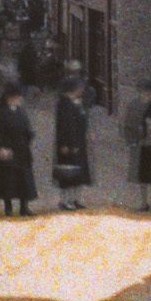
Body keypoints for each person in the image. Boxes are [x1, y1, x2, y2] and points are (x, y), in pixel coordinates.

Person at [0, 82, 38, 217]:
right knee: (8, 180)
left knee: (24, 179)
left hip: (22, 150)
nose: (20, 100)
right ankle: (8, 207)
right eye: (18, 97)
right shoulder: (1, 113)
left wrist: (29, 135)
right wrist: (0, 147)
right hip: (9, 150)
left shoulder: (21, 112)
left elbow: (27, 128)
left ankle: (24, 206)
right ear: (10, 98)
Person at [53, 73, 92, 211]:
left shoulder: (77, 103)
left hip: (79, 141)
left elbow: (82, 122)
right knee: (67, 173)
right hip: (68, 143)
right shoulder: (64, 104)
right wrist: (65, 144)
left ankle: (75, 199)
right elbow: (64, 126)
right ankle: (65, 200)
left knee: (78, 172)